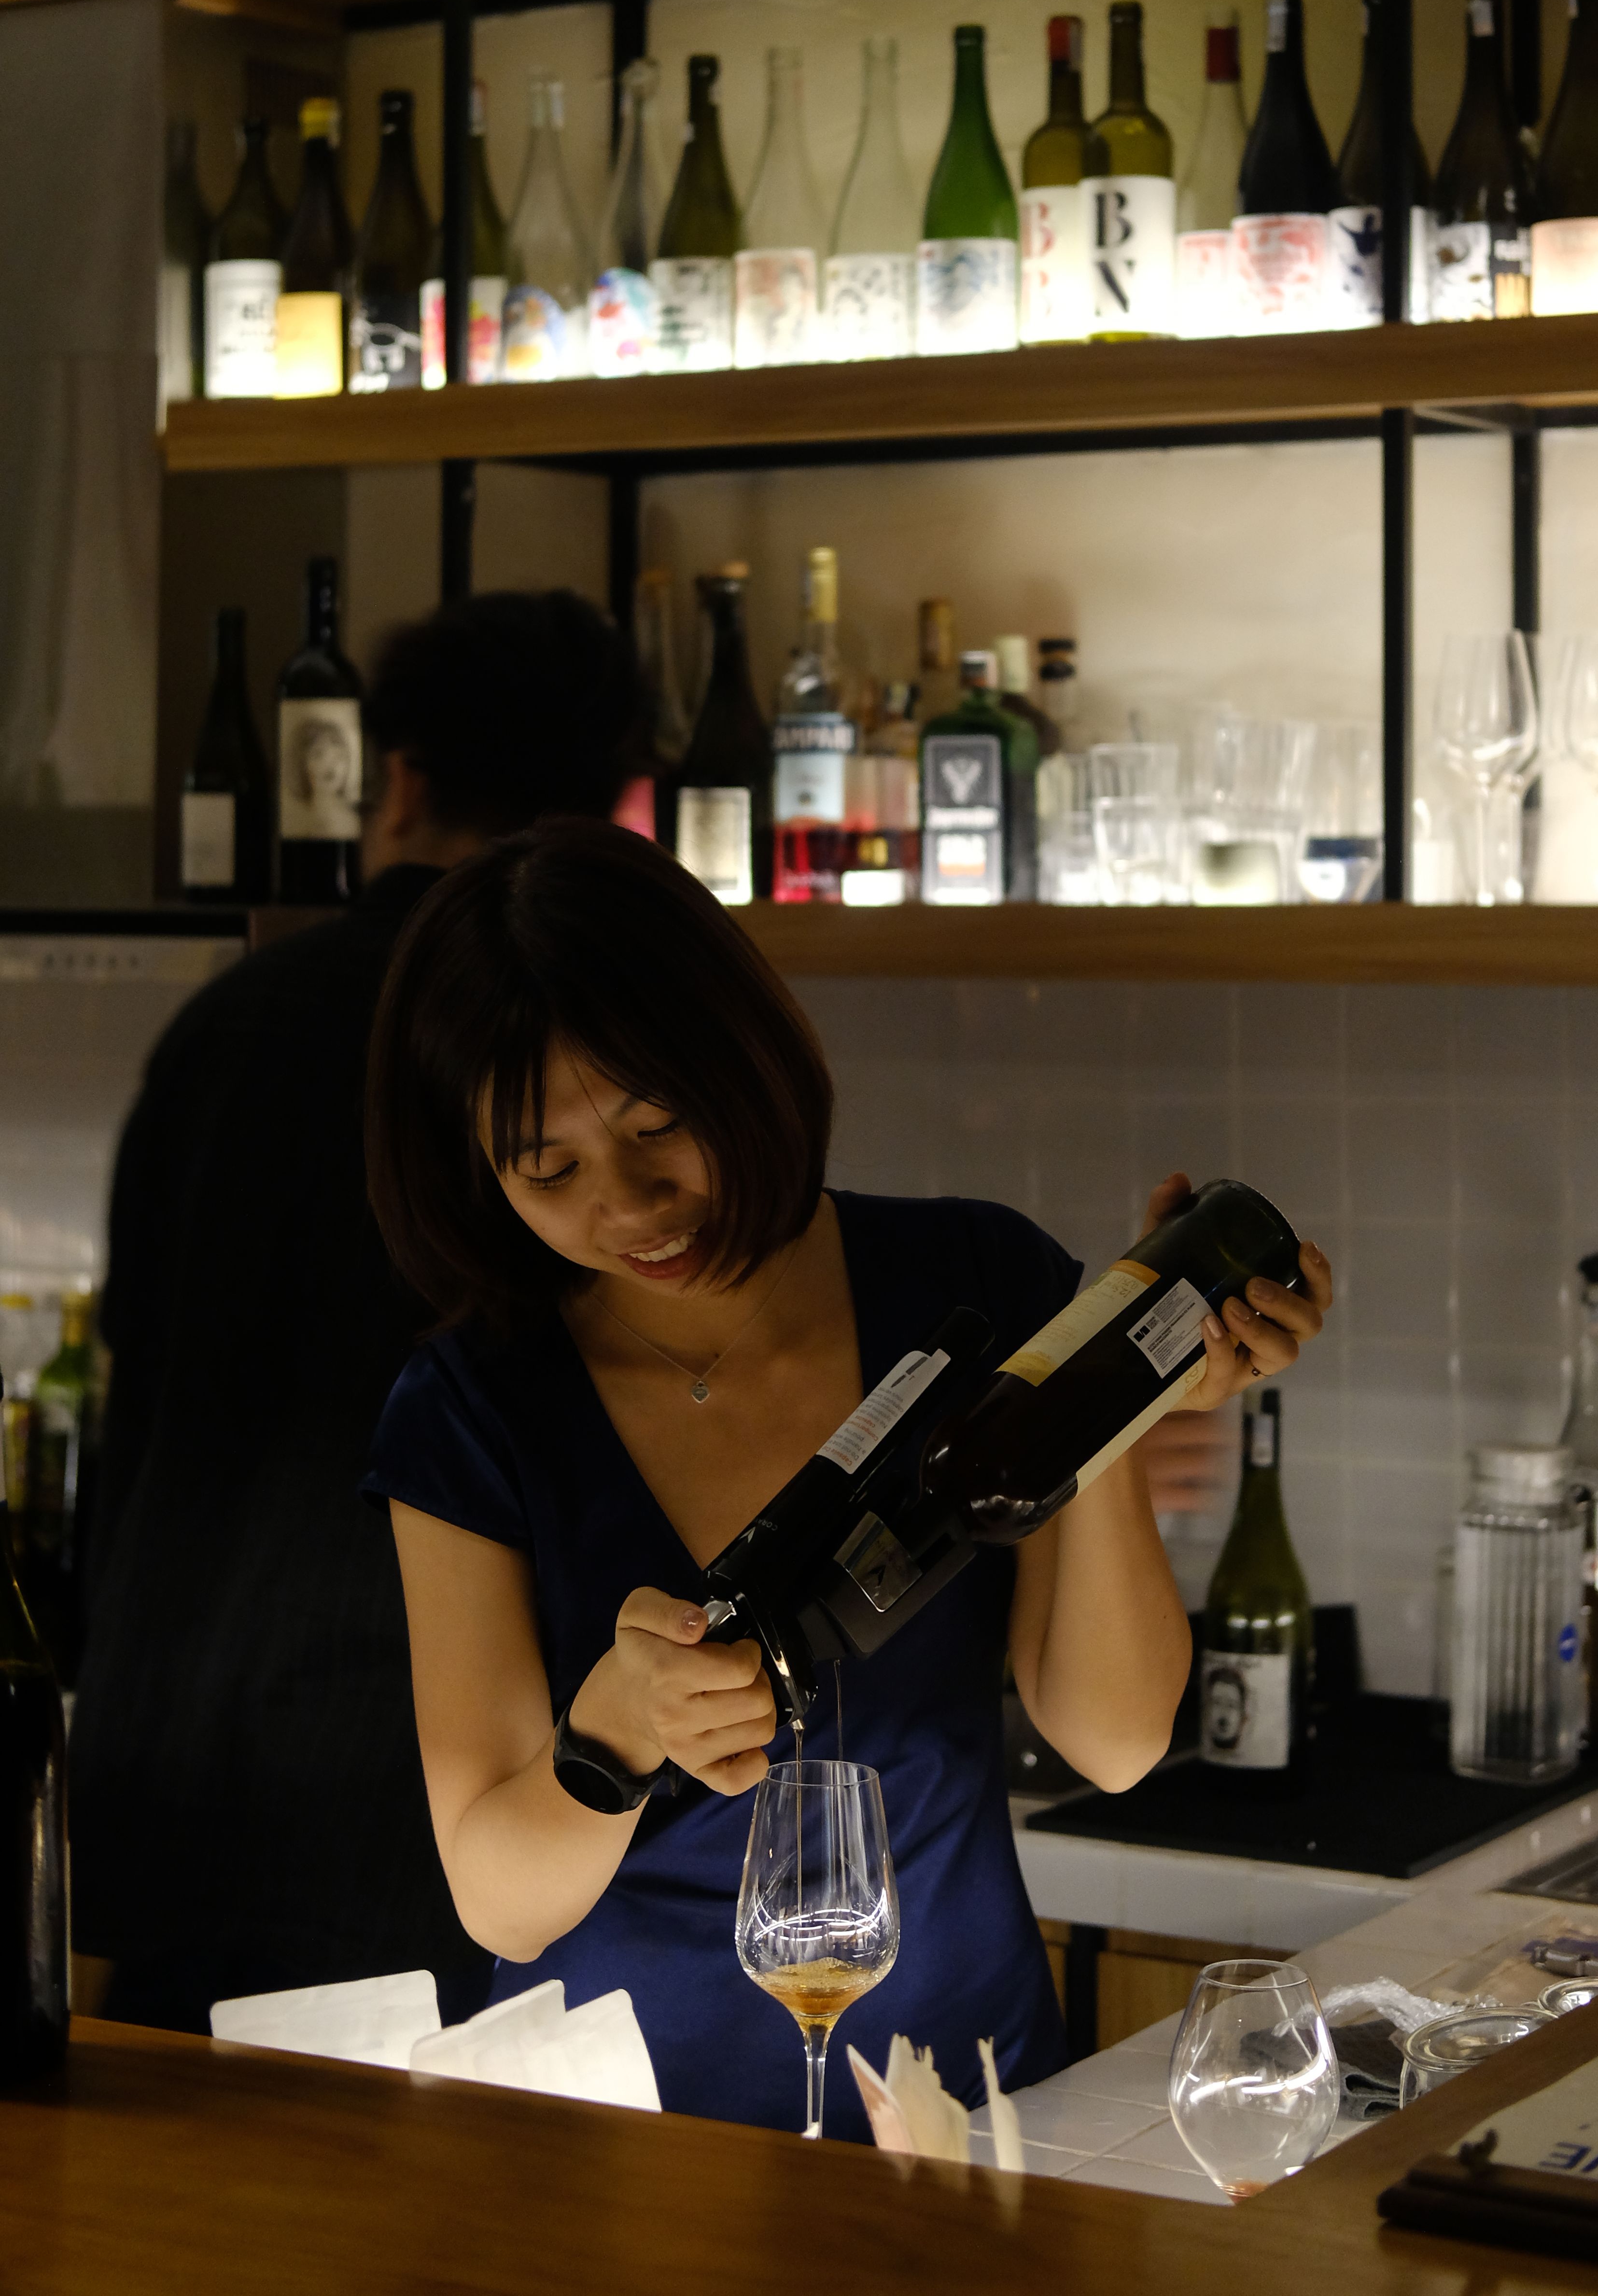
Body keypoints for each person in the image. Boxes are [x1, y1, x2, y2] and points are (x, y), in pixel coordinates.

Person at [363, 818, 1332, 2137]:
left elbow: (1112, 1740)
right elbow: (498, 1896)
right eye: (554, 1172)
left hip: (960, 2124)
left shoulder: (976, 1288)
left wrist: (1101, 1401)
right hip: (621, 2160)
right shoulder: (474, 1405)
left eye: (663, 1126)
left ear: (744, 1061)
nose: (637, 1204)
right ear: (482, 1175)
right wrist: (614, 1734)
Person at [71, 589, 642, 2034]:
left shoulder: (230, 1024)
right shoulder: (582, 1061)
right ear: (622, 808)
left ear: (399, 782)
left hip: (167, 1767)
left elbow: (137, 1404)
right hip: (428, 1815)